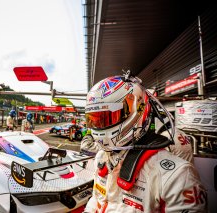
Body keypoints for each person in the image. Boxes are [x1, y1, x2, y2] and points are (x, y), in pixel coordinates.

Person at [82, 74, 207, 212]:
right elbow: (96, 199)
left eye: (108, 117)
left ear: (138, 109)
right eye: (95, 119)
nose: (100, 125)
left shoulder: (178, 175)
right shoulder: (101, 157)